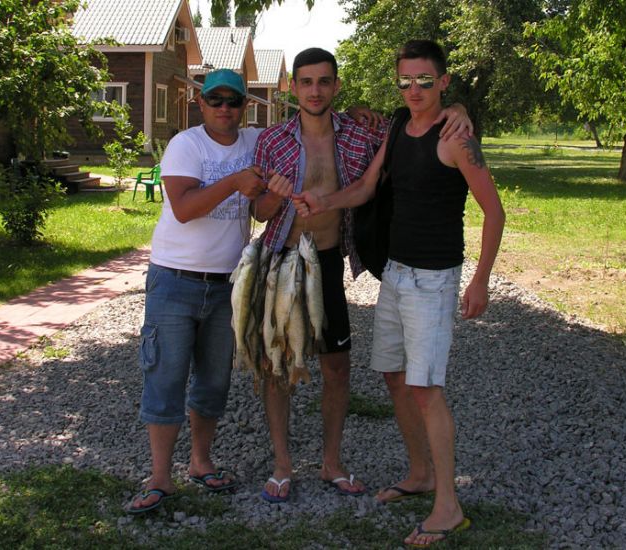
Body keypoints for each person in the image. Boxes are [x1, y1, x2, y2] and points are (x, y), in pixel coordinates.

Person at [293, 40, 505, 547]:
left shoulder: (456, 138)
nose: (414, 89)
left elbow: (494, 212)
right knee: (393, 374)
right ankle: (420, 474)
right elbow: (367, 187)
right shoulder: (397, 127)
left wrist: (480, 280)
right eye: (405, 81)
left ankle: (448, 507)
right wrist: (325, 200)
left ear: (443, 82)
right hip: (395, 272)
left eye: (424, 80)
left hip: (434, 280)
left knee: (426, 389)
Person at [251, 47, 473, 503]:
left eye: (324, 81)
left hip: (329, 260)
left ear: (336, 86)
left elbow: (417, 123)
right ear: (292, 87)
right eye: (306, 82)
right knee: (278, 366)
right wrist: (273, 196)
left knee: (337, 366)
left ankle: (331, 462)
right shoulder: (271, 140)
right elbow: (259, 212)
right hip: (282, 260)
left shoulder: (360, 132)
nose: (315, 91)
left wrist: (459, 109)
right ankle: (282, 465)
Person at [126, 69, 267, 514]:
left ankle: (200, 462)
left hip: (229, 285)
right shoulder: (185, 145)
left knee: (214, 380)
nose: (224, 108)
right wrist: (235, 181)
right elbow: (184, 208)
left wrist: (359, 112)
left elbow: (307, 124)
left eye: (233, 101)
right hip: (174, 279)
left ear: (245, 106)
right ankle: (159, 477)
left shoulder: (255, 141)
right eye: (215, 100)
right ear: (200, 103)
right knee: (165, 376)